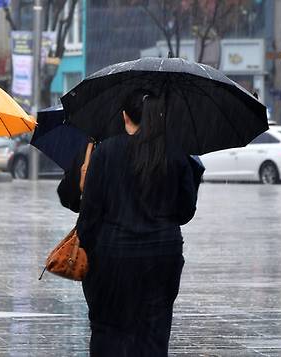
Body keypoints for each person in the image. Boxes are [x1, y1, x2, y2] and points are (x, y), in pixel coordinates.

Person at [77, 90, 198, 356]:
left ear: (124, 116)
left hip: (113, 260)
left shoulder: (106, 152)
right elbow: (186, 211)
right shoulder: (175, 154)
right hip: (161, 259)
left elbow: (90, 214)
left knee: (108, 332)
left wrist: (87, 246)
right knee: (153, 335)